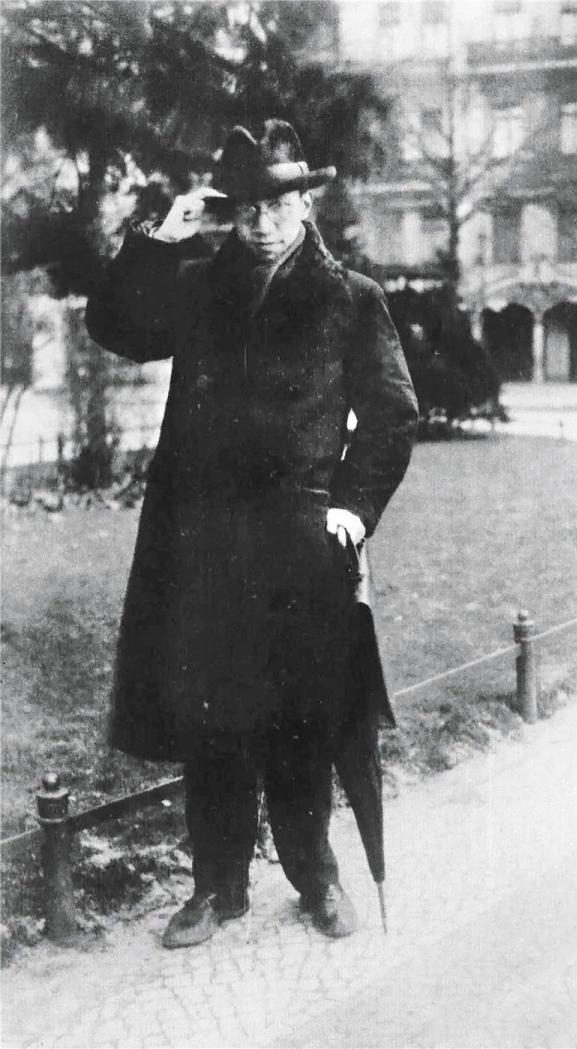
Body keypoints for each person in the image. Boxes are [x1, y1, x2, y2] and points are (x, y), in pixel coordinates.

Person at [86, 119, 419, 949]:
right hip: (201, 544)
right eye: (246, 209)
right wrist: (162, 236)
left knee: (302, 720)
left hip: (297, 547)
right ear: (230, 213)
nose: (262, 223)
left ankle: (316, 877)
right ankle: (217, 886)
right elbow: (120, 328)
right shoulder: (199, 284)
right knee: (213, 722)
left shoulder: (351, 297)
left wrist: (352, 506)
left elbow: (393, 413)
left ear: (306, 205)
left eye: (278, 205)